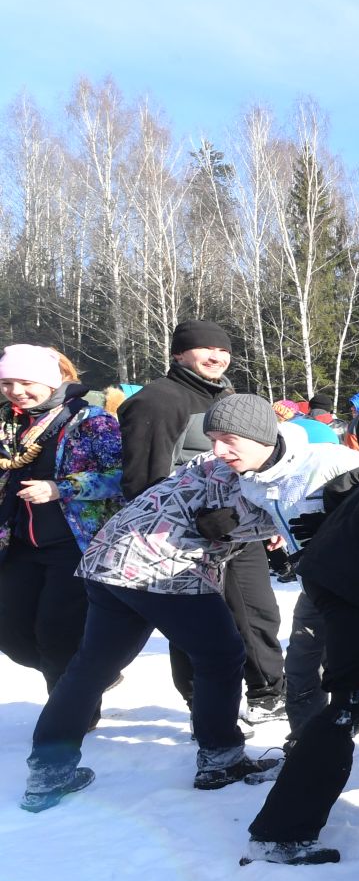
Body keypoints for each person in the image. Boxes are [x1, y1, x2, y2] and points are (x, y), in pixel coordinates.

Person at [21, 394, 295, 810]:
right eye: (213, 439)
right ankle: (220, 759)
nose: (219, 450)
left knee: (92, 665)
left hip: (109, 560)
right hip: (158, 570)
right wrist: (274, 524)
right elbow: (229, 519)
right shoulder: (228, 473)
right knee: (221, 656)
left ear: (263, 435)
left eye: (229, 439)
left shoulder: (227, 468)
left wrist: (267, 524)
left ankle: (49, 768)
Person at [116, 320, 286, 724]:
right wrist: (187, 526)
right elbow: (144, 481)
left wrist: (270, 517)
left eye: (223, 350)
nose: (217, 356)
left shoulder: (228, 395)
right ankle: (203, 705)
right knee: (196, 623)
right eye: (205, 349)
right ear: (178, 354)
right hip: (184, 538)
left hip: (237, 527)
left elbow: (256, 465)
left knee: (256, 611)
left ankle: (268, 693)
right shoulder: (158, 400)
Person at [0, 345, 124, 699]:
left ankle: (70, 713)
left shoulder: (90, 419)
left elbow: (118, 475)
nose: (16, 391)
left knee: (57, 635)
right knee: (12, 634)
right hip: (18, 542)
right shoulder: (8, 420)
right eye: (7, 382)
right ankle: (88, 671)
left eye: (25, 382)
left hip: (71, 544)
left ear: (50, 380)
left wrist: (61, 487)